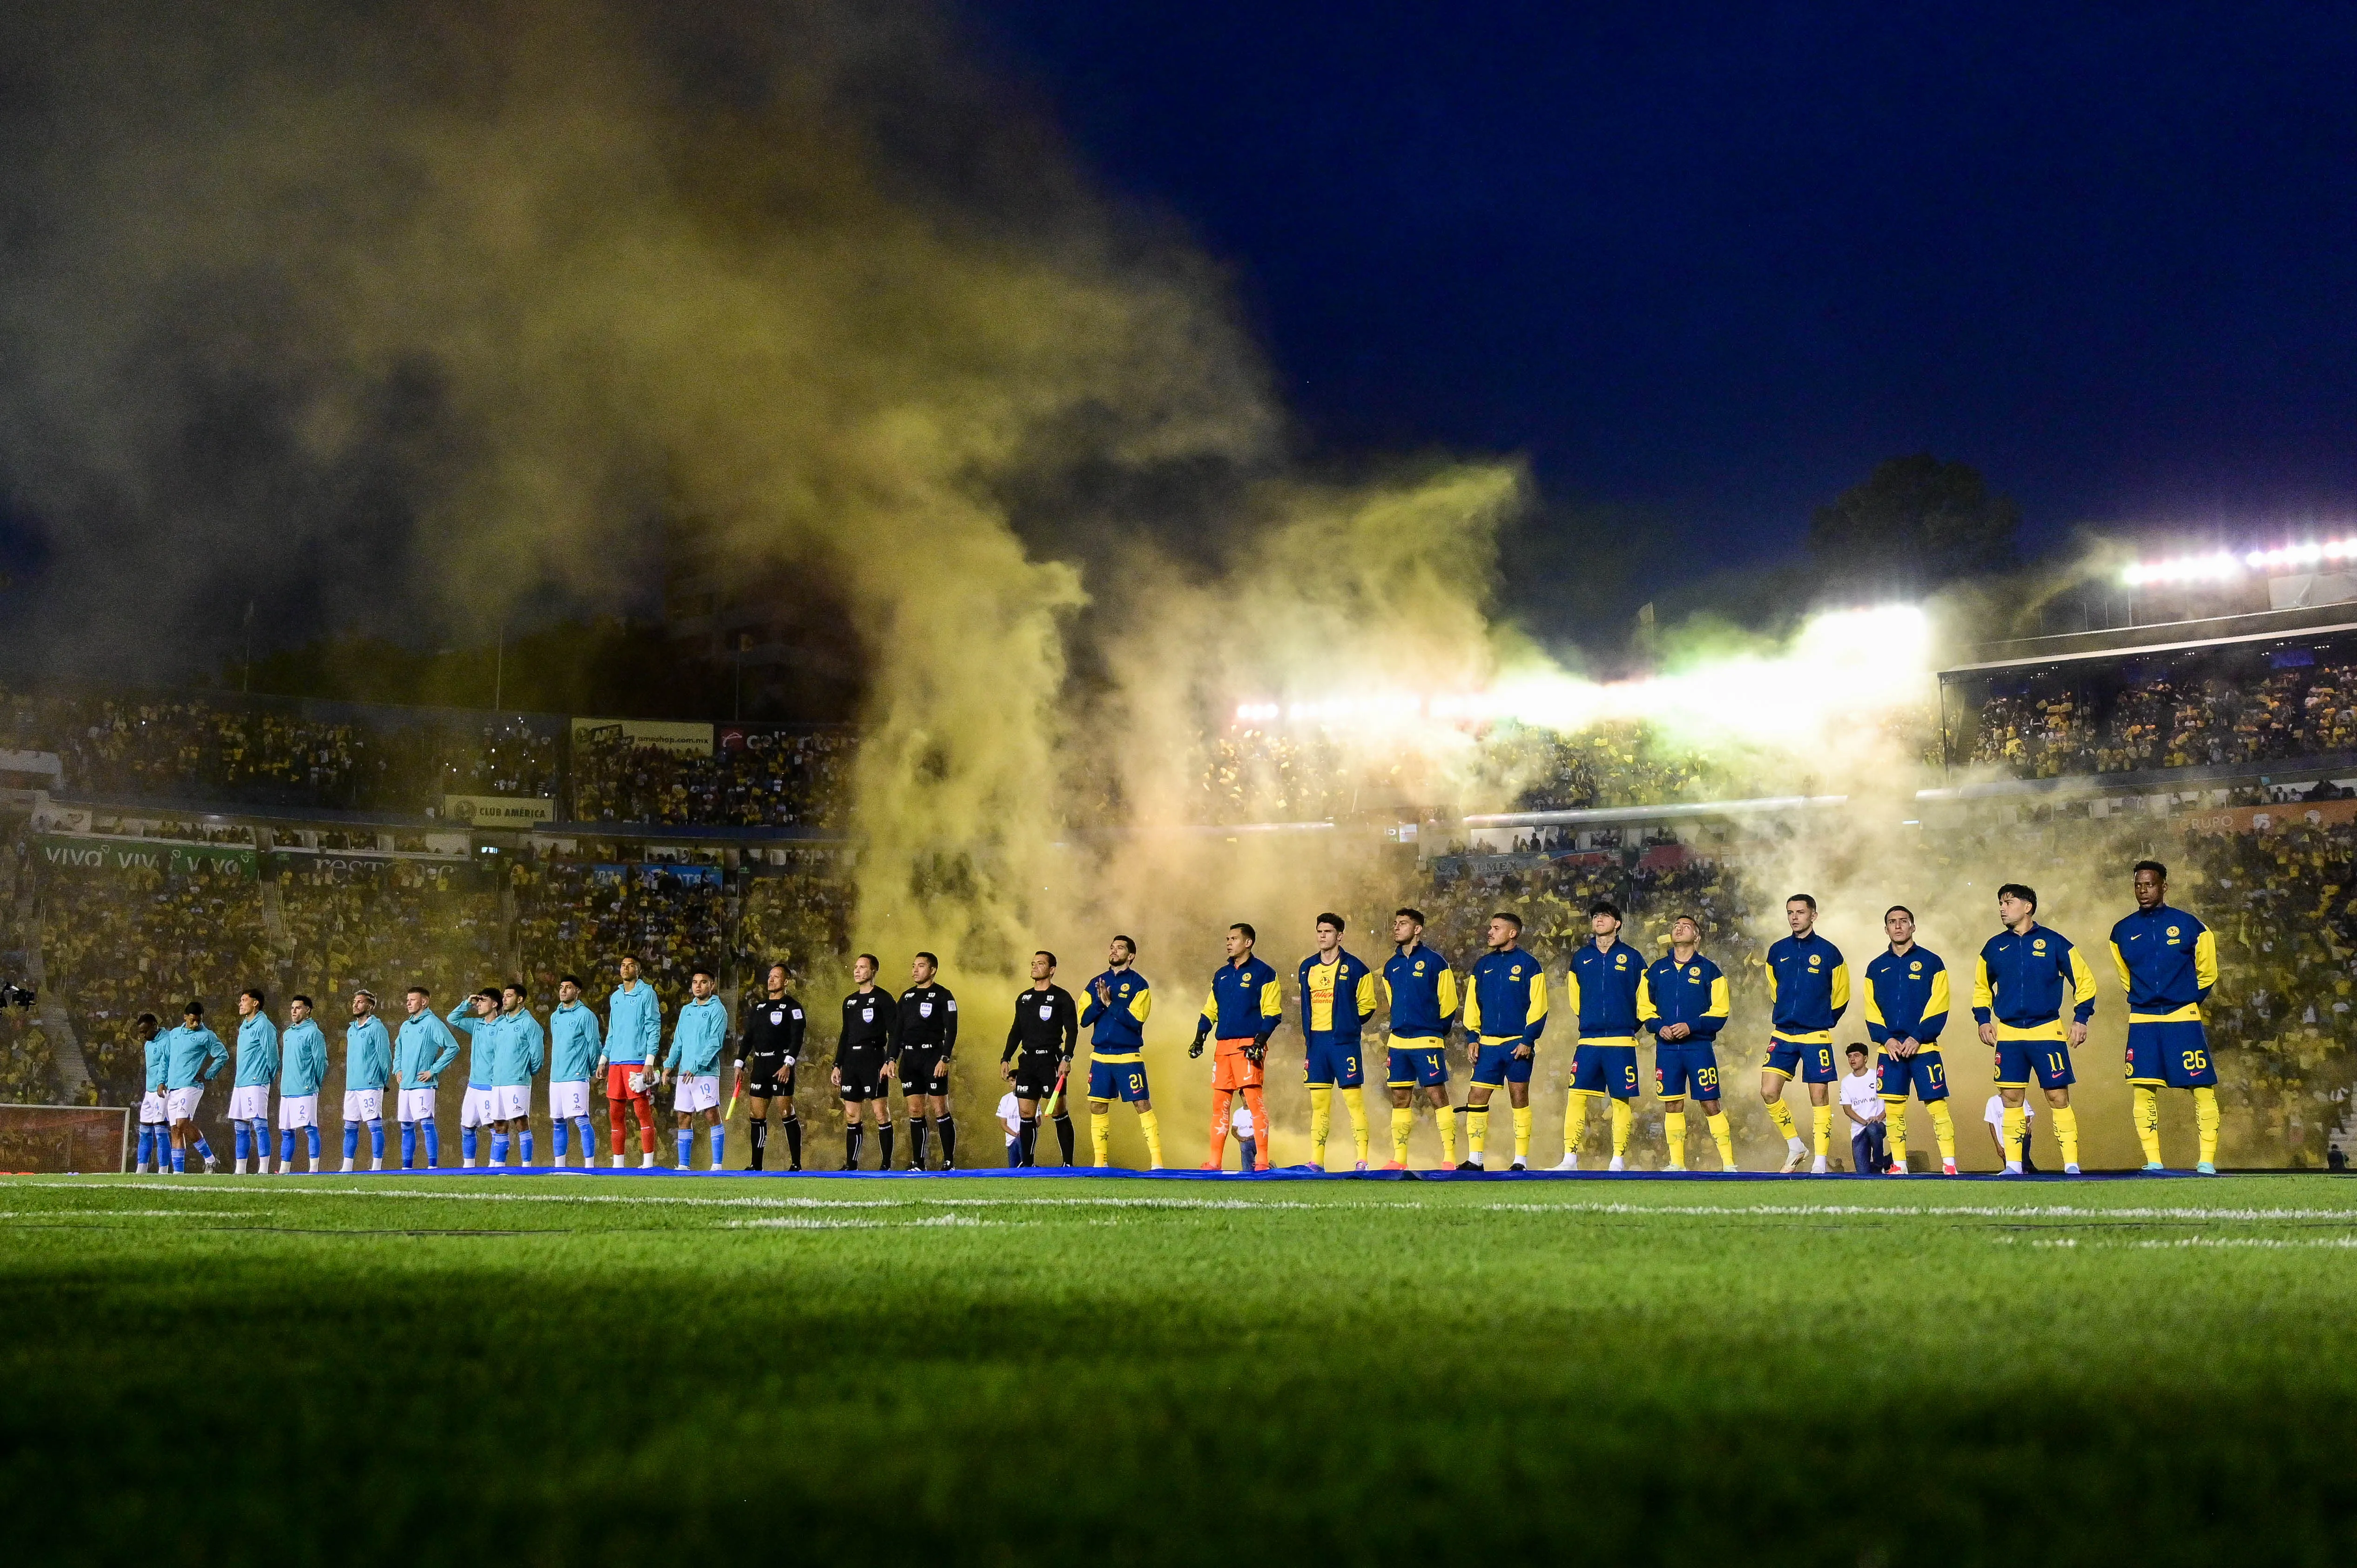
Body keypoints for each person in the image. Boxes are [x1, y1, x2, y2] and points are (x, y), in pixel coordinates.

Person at [1974, 882, 2097, 1176]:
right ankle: (2014, 1165)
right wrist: (1983, 1019)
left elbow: (2085, 981)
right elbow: (1982, 987)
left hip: (2047, 1031)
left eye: (2009, 902)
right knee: (2011, 1098)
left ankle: (2071, 1165)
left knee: (2058, 1097)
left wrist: (2081, 1018)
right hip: (2010, 1034)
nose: (2002, 908)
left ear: (2028, 907)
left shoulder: (2055, 943)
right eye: (2000, 903)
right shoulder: (1994, 947)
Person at [2111, 860, 2222, 1175]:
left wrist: (2183, 1000)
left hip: (2183, 1018)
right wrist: (2146, 999)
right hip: (2143, 1021)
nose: (2143, 890)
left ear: (2164, 887)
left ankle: (2207, 1161)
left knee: (2202, 1088)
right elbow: (2126, 978)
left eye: (2150, 884)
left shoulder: (2191, 926)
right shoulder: (2122, 931)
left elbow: (2208, 972)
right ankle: (2154, 1161)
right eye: (2138, 885)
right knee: (2143, 1088)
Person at [1865, 906, 1958, 1176]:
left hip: (1924, 1048)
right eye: (1892, 922)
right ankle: (1900, 1164)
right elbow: (1870, 1008)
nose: (1898, 926)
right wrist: (1887, 1039)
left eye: (1904, 921)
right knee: (1893, 1110)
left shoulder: (1932, 962)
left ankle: (1950, 1164)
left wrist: (1919, 1036)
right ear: (1886, 929)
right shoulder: (1876, 967)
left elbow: (1940, 1004)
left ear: (1913, 927)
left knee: (1937, 1106)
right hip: (1890, 1050)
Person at [1638, 915, 1736, 1171]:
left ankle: (1729, 1164)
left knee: (1710, 1103)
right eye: (1675, 925)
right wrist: (1660, 1027)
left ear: (1698, 936)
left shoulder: (1710, 971)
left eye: (1686, 926)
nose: (1679, 928)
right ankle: (1677, 1163)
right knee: (1672, 1103)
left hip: (1698, 1048)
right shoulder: (1656, 970)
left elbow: (1721, 1011)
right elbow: (1644, 1008)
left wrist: (1691, 1026)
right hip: (1667, 1049)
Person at [1760, 894, 1849, 1174]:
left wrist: (1821, 1019)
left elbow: (1841, 995)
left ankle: (1820, 1160)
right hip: (1784, 1033)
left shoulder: (1830, 952)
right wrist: (1789, 1014)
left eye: (1800, 912)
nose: (1794, 917)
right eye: (1790, 913)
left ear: (1814, 915)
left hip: (1815, 1035)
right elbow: (1775, 988)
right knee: (1768, 1091)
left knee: (1819, 1097)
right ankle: (1796, 1145)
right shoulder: (1777, 951)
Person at [1558, 900, 1645, 1171]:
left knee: (1621, 1100)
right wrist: (1589, 1019)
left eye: (1605, 916)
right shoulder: (1581, 958)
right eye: (1596, 916)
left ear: (1617, 924)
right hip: (1589, 1040)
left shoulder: (1632, 957)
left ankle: (1618, 1159)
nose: (1599, 920)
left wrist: (1631, 1024)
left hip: (1620, 1041)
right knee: (1576, 1097)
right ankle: (1570, 1158)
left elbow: (1644, 997)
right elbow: (1575, 997)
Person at [1461, 912, 1548, 1171]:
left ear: (1512, 933)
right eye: (1490, 927)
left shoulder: (1530, 964)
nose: (1490, 932)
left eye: (1496, 928)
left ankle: (1520, 1160)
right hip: (1487, 1044)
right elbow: (1472, 1005)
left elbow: (1539, 1007)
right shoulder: (1482, 965)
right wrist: (1471, 1037)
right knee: (1476, 1096)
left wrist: (1528, 1039)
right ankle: (1475, 1159)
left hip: (1516, 1044)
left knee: (1519, 1095)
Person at [1192, 923, 1283, 1171]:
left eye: (1233, 938)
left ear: (1248, 942)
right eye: (1227, 938)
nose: (1228, 943)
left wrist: (1259, 1043)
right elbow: (1210, 1009)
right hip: (1223, 1046)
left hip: (1247, 1045)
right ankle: (1214, 1161)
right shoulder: (1221, 975)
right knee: (1219, 1104)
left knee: (1253, 1101)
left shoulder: (1265, 973)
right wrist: (1200, 1037)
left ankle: (1262, 1160)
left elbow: (1273, 1013)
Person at [1379, 908, 1459, 1170]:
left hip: (1427, 1039)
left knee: (1437, 1095)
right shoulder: (1390, 966)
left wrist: (1435, 1031)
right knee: (1400, 1099)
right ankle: (1399, 1159)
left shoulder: (1436, 962)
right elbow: (1392, 1001)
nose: (1396, 928)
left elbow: (1449, 1004)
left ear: (1417, 929)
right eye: (1395, 923)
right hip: (1398, 1041)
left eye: (1403, 924)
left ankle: (1449, 1157)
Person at [1296, 914, 1377, 1171]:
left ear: (1340, 936)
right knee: (1319, 1105)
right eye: (1319, 931)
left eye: (1328, 932)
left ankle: (1362, 1159)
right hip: (1317, 1044)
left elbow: (1368, 1007)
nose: (1322, 936)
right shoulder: (1307, 967)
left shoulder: (1356, 968)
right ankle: (1316, 1161)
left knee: (1354, 1102)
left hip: (1343, 1044)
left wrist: (1347, 1025)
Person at [1080, 936, 1157, 1169]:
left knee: (1141, 1103)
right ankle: (1100, 1163)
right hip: (1101, 1057)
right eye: (1112, 947)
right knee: (1097, 1105)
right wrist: (1100, 1003)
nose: (1114, 951)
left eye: (1120, 948)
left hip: (1128, 1055)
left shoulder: (1139, 985)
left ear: (1131, 956)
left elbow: (1136, 1021)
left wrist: (1111, 1004)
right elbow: (1083, 1019)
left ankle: (1157, 1162)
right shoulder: (1096, 982)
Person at [1002, 950, 1081, 1167]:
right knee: (1025, 1112)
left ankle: (1068, 1164)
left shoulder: (1062, 997)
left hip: (1051, 1060)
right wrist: (1006, 1057)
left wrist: (1067, 1057)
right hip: (1027, 1062)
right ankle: (1027, 1165)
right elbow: (1016, 1030)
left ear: (1052, 970)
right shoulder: (1024, 998)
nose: (1035, 967)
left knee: (1058, 1111)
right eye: (1033, 963)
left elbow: (1072, 1031)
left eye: (1040, 963)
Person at [735, 962, 807, 1171]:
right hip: (760, 1065)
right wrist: (739, 1063)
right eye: (770, 976)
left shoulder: (793, 1007)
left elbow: (797, 1038)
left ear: (786, 982)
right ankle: (756, 1164)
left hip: (780, 1065)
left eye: (776, 977)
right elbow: (748, 1038)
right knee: (756, 1116)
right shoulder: (759, 1008)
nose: (771, 980)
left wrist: (788, 1064)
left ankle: (796, 1164)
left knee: (786, 1112)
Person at [658, 966, 730, 1170]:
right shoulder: (687, 1010)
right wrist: (669, 1065)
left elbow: (715, 1043)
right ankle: (684, 1165)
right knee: (683, 1116)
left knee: (710, 1114)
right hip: (685, 1073)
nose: (698, 986)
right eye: (695, 982)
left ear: (712, 986)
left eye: (703, 982)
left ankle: (717, 1165)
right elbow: (678, 1041)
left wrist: (697, 1066)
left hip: (705, 1073)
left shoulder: (718, 1010)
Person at [831, 953, 898, 1171]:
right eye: (855, 967)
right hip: (851, 1061)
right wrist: (837, 1064)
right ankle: (852, 1164)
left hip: (874, 1058)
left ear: (873, 972)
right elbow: (845, 1034)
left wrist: (890, 1060)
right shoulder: (849, 1001)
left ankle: (886, 1164)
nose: (857, 971)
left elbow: (894, 1032)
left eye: (862, 967)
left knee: (880, 1112)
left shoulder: (884, 999)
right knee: (851, 1114)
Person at [895, 952, 959, 1171]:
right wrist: (891, 1059)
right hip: (910, 1058)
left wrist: (945, 1058)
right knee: (915, 1110)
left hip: (933, 1057)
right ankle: (918, 1162)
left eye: (921, 966)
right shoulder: (906, 997)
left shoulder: (944, 996)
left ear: (932, 970)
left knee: (940, 1108)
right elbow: (897, 1032)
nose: (915, 970)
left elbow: (952, 1029)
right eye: (914, 966)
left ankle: (949, 1160)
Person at [602, 956, 665, 1170]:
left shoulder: (647, 993)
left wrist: (649, 1061)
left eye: (631, 965)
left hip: (637, 1060)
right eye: (623, 965)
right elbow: (612, 1030)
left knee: (641, 1111)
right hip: (616, 1062)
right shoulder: (616, 997)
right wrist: (604, 1058)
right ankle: (618, 1164)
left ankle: (648, 1163)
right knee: (615, 1113)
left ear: (639, 970)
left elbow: (654, 1027)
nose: (626, 968)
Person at [391, 986, 459, 1170]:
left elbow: (453, 1047)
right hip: (405, 1084)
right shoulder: (406, 1026)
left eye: (412, 1000)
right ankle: (407, 1168)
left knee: (427, 1124)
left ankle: (433, 1167)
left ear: (424, 1002)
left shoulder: (432, 1023)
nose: (408, 1003)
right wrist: (397, 1069)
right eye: (408, 1000)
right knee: (406, 1126)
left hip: (423, 1084)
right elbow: (399, 1049)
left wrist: (433, 1070)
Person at [162, 1001, 227, 1174]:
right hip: (173, 1087)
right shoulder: (175, 1034)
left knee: (181, 1124)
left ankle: (208, 1160)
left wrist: (208, 1074)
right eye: (193, 1020)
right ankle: (183, 1172)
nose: (196, 1024)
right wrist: (162, 1081)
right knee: (176, 1129)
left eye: (199, 1020)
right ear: (185, 1017)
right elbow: (166, 1058)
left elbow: (223, 1055)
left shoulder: (207, 1035)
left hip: (191, 1086)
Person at [546, 976, 603, 1170]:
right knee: (558, 1121)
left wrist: (592, 1069)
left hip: (576, 1076)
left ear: (577, 991)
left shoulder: (586, 1016)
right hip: (557, 1077)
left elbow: (594, 1045)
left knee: (581, 1120)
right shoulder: (555, 1016)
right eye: (561, 987)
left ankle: (590, 1166)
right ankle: (559, 1167)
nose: (563, 991)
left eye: (568, 988)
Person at [446, 990, 504, 1168]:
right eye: (477, 1001)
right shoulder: (477, 1025)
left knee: (495, 1128)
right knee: (467, 1127)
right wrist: (467, 1003)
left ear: (495, 1004)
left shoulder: (504, 1026)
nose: (478, 1004)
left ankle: (496, 1167)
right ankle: (469, 1167)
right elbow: (452, 1019)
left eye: (483, 1001)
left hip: (491, 1085)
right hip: (473, 1085)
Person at [275, 995, 328, 1175]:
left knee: (310, 1128)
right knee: (287, 1131)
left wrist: (315, 1083)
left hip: (305, 1089)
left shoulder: (314, 1033)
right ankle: (284, 1170)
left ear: (308, 1010)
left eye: (298, 1008)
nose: (294, 1011)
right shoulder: (288, 1033)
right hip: (287, 1090)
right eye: (292, 1008)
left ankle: (314, 1170)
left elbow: (321, 1062)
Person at [228, 988, 278, 1176]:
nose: (241, 1004)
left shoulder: (264, 1025)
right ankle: (240, 1170)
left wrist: (268, 1079)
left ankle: (263, 1170)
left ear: (255, 1003)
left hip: (257, 1082)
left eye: (244, 1000)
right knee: (240, 1126)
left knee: (259, 1124)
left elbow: (272, 1055)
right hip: (241, 1082)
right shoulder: (245, 1025)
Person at [494, 983, 545, 1168]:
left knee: (520, 1122)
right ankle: (499, 1166)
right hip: (498, 1081)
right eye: (504, 996)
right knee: (499, 1124)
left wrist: (524, 1072)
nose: (504, 1000)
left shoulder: (529, 1024)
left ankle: (527, 1166)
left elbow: (538, 1056)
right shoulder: (501, 1023)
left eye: (509, 996)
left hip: (517, 1082)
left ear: (520, 999)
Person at [340, 989, 391, 1174]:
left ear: (369, 1006)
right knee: (350, 1127)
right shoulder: (351, 1030)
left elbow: (385, 1057)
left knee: (374, 1125)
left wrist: (383, 1081)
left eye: (360, 1002)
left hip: (371, 1085)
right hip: (352, 1085)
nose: (355, 1005)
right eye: (355, 1001)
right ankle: (347, 1167)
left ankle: (377, 1167)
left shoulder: (377, 1028)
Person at [1839, 1043, 1887, 1174]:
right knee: (1863, 1174)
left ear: (1866, 1058)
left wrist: (1879, 1118)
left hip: (1878, 1124)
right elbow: (1847, 1109)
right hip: (1859, 1130)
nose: (1852, 1060)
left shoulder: (1877, 1076)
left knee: (1873, 1129)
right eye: (1850, 1057)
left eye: (1856, 1056)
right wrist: (1865, 1122)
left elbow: (1890, 1102)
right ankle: (1888, 1161)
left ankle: (1879, 1166)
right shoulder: (1846, 1082)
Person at [134, 1014, 167, 1174]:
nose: (143, 1036)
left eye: (145, 1031)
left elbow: (168, 1064)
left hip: (163, 1091)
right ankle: (141, 1170)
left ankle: (163, 1170)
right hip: (149, 1091)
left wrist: (164, 1083)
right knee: (145, 1131)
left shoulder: (167, 1040)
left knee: (161, 1132)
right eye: (141, 1033)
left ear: (155, 1025)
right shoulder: (148, 1044)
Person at [1983, 1091, 2035, 1171]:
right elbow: (1991, 1124)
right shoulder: (1992, 1102)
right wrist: (1998, 1146)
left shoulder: (2019, 1098)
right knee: (2011, 1169)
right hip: (2004, 1143)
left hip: (2020, 1138)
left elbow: (2027, 1116)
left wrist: (2025, 1125)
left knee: (2024, 1163)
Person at [997, 1089, 1023, 1168]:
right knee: (1013, 1169)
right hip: (1011, 1141)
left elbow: (1038, 1121)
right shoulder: (1005, 1099)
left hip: (1025, 1140)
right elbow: (1003, 1124)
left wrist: (1023, 1133)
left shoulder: (1029, 1098)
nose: (1011, 1084)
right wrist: (1016, 1134)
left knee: (1026, 1167)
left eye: (1013, 1080)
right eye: (1011, 1081)